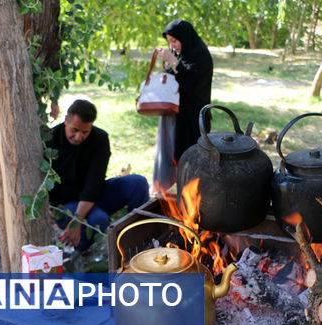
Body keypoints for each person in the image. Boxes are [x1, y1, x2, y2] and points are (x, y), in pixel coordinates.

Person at [47, 99, 149, 252]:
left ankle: (136, 239)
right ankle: (77, 251)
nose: (78, 136)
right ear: (66, 120)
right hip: (66, 204)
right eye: (74, 130)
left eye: (84, 132)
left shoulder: (100, 139)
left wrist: (78, 218)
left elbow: (94, 183)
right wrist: (75, 220)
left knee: (138, 183)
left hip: (94, 195)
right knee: (99, 220)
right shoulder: (50, 140)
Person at [153, 19, 213, 193]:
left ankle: (194, 197)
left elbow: (192, 84)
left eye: (174, 41)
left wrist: (174, 62)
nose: (172, 45)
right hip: (178, 115)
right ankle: (181, 194)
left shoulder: (200, 55)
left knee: (192, 160)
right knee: (178, 158)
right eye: (169, 41)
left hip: (195, 117)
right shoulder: (181, 54)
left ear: (185, 38)